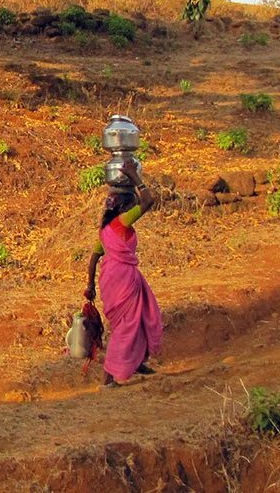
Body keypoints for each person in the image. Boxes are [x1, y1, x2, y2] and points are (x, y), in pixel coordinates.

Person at [83, 160, 162, 388]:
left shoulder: (105, 229)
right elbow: (149, 201)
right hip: (123, 279)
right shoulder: (122, 222)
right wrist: (134, 177)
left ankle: (136, 361)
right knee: (128, 325)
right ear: (124, 208)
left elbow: (94, 258)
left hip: (110, 279)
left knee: (132, 321)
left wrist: (90, 286)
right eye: (130, 206)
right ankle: (107, 378)